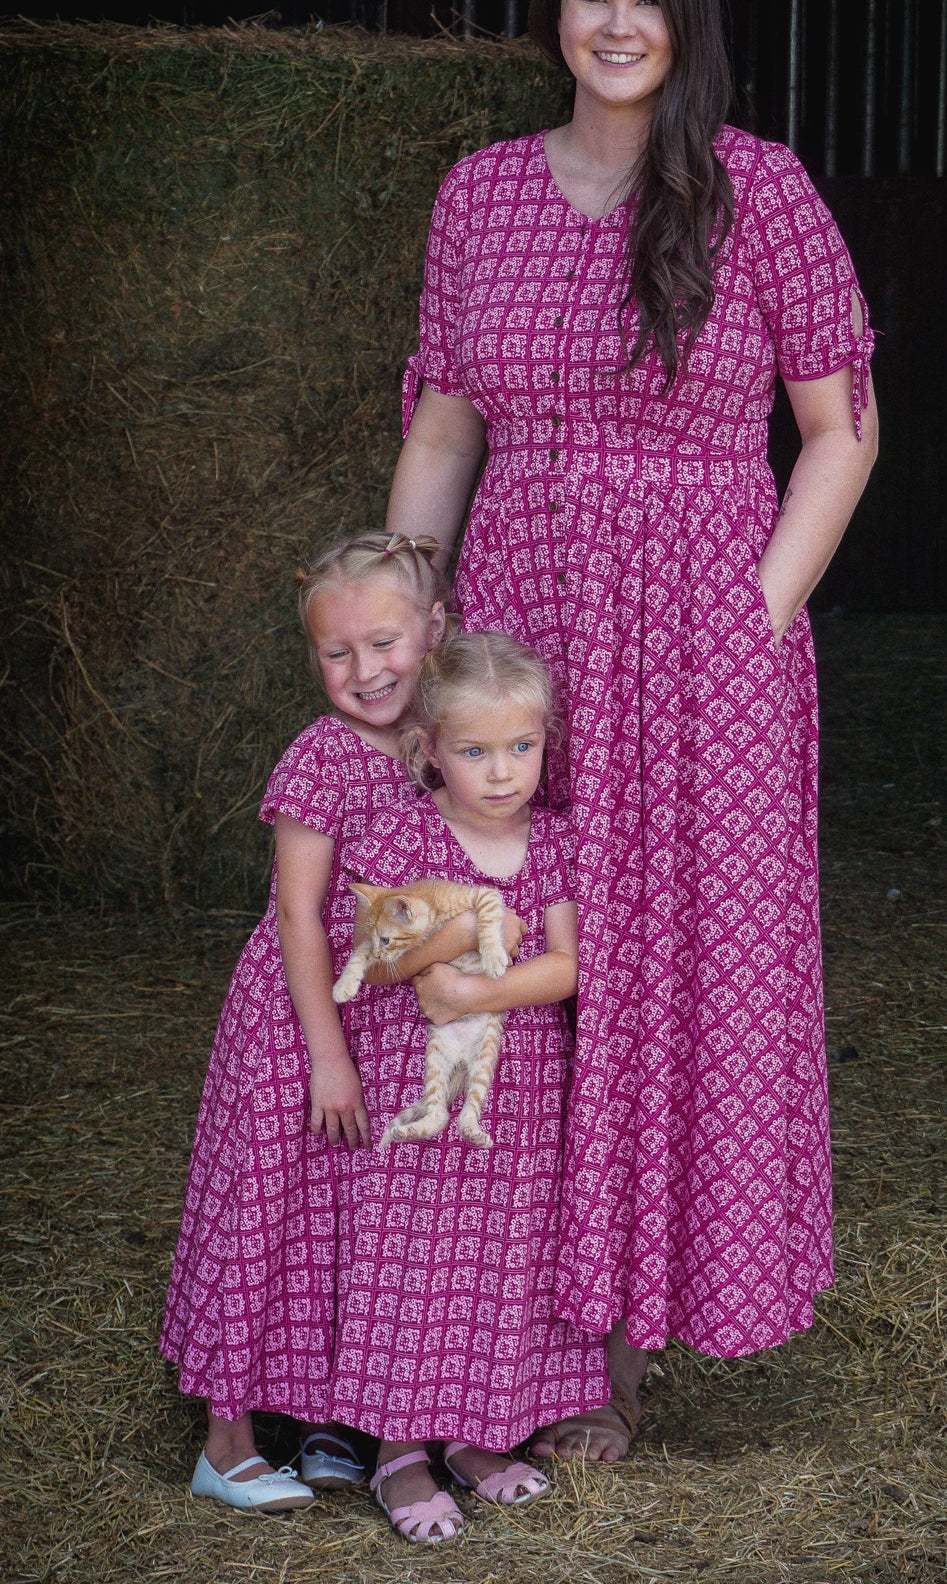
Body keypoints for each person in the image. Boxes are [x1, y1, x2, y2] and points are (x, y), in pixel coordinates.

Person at [386, 0, 879, 1463]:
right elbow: (444, 430)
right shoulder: (478, 195)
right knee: (516, 944)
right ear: (554, 12)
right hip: (518, 640)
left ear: (687, 21)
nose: (615, 26)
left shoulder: (758, 192)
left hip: (702, 651)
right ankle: (500, 1336)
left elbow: (838, 432)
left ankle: (618, 1352)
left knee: (669, 972)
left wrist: (755, 615)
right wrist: (406, 640)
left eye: (646, 1)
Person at [162, 530, 509, 1510]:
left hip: (381, 1020)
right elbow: (298, 915)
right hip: (299, 1017)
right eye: (337, 653)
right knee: (264, 1207)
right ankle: (224, 1444)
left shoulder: (440, 745)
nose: (365, 671)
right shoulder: (321, 757)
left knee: (339, 1217)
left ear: (436, 630)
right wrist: (326, 1055)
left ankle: (330, 1421)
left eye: (384, 643)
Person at [323, 631, 609, 1543]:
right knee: (409, 1263)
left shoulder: (553, 841)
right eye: (475, 751)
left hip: (516, 1096)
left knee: (503, 1260)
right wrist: (454, 945)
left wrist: (476, 991)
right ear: (430, 749)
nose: (501, 772)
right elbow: (373, 961)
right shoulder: (401, 833)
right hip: (416, 1089)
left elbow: (568, 965)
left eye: (521, 747)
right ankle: (398, 1452)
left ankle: (477, 1437)